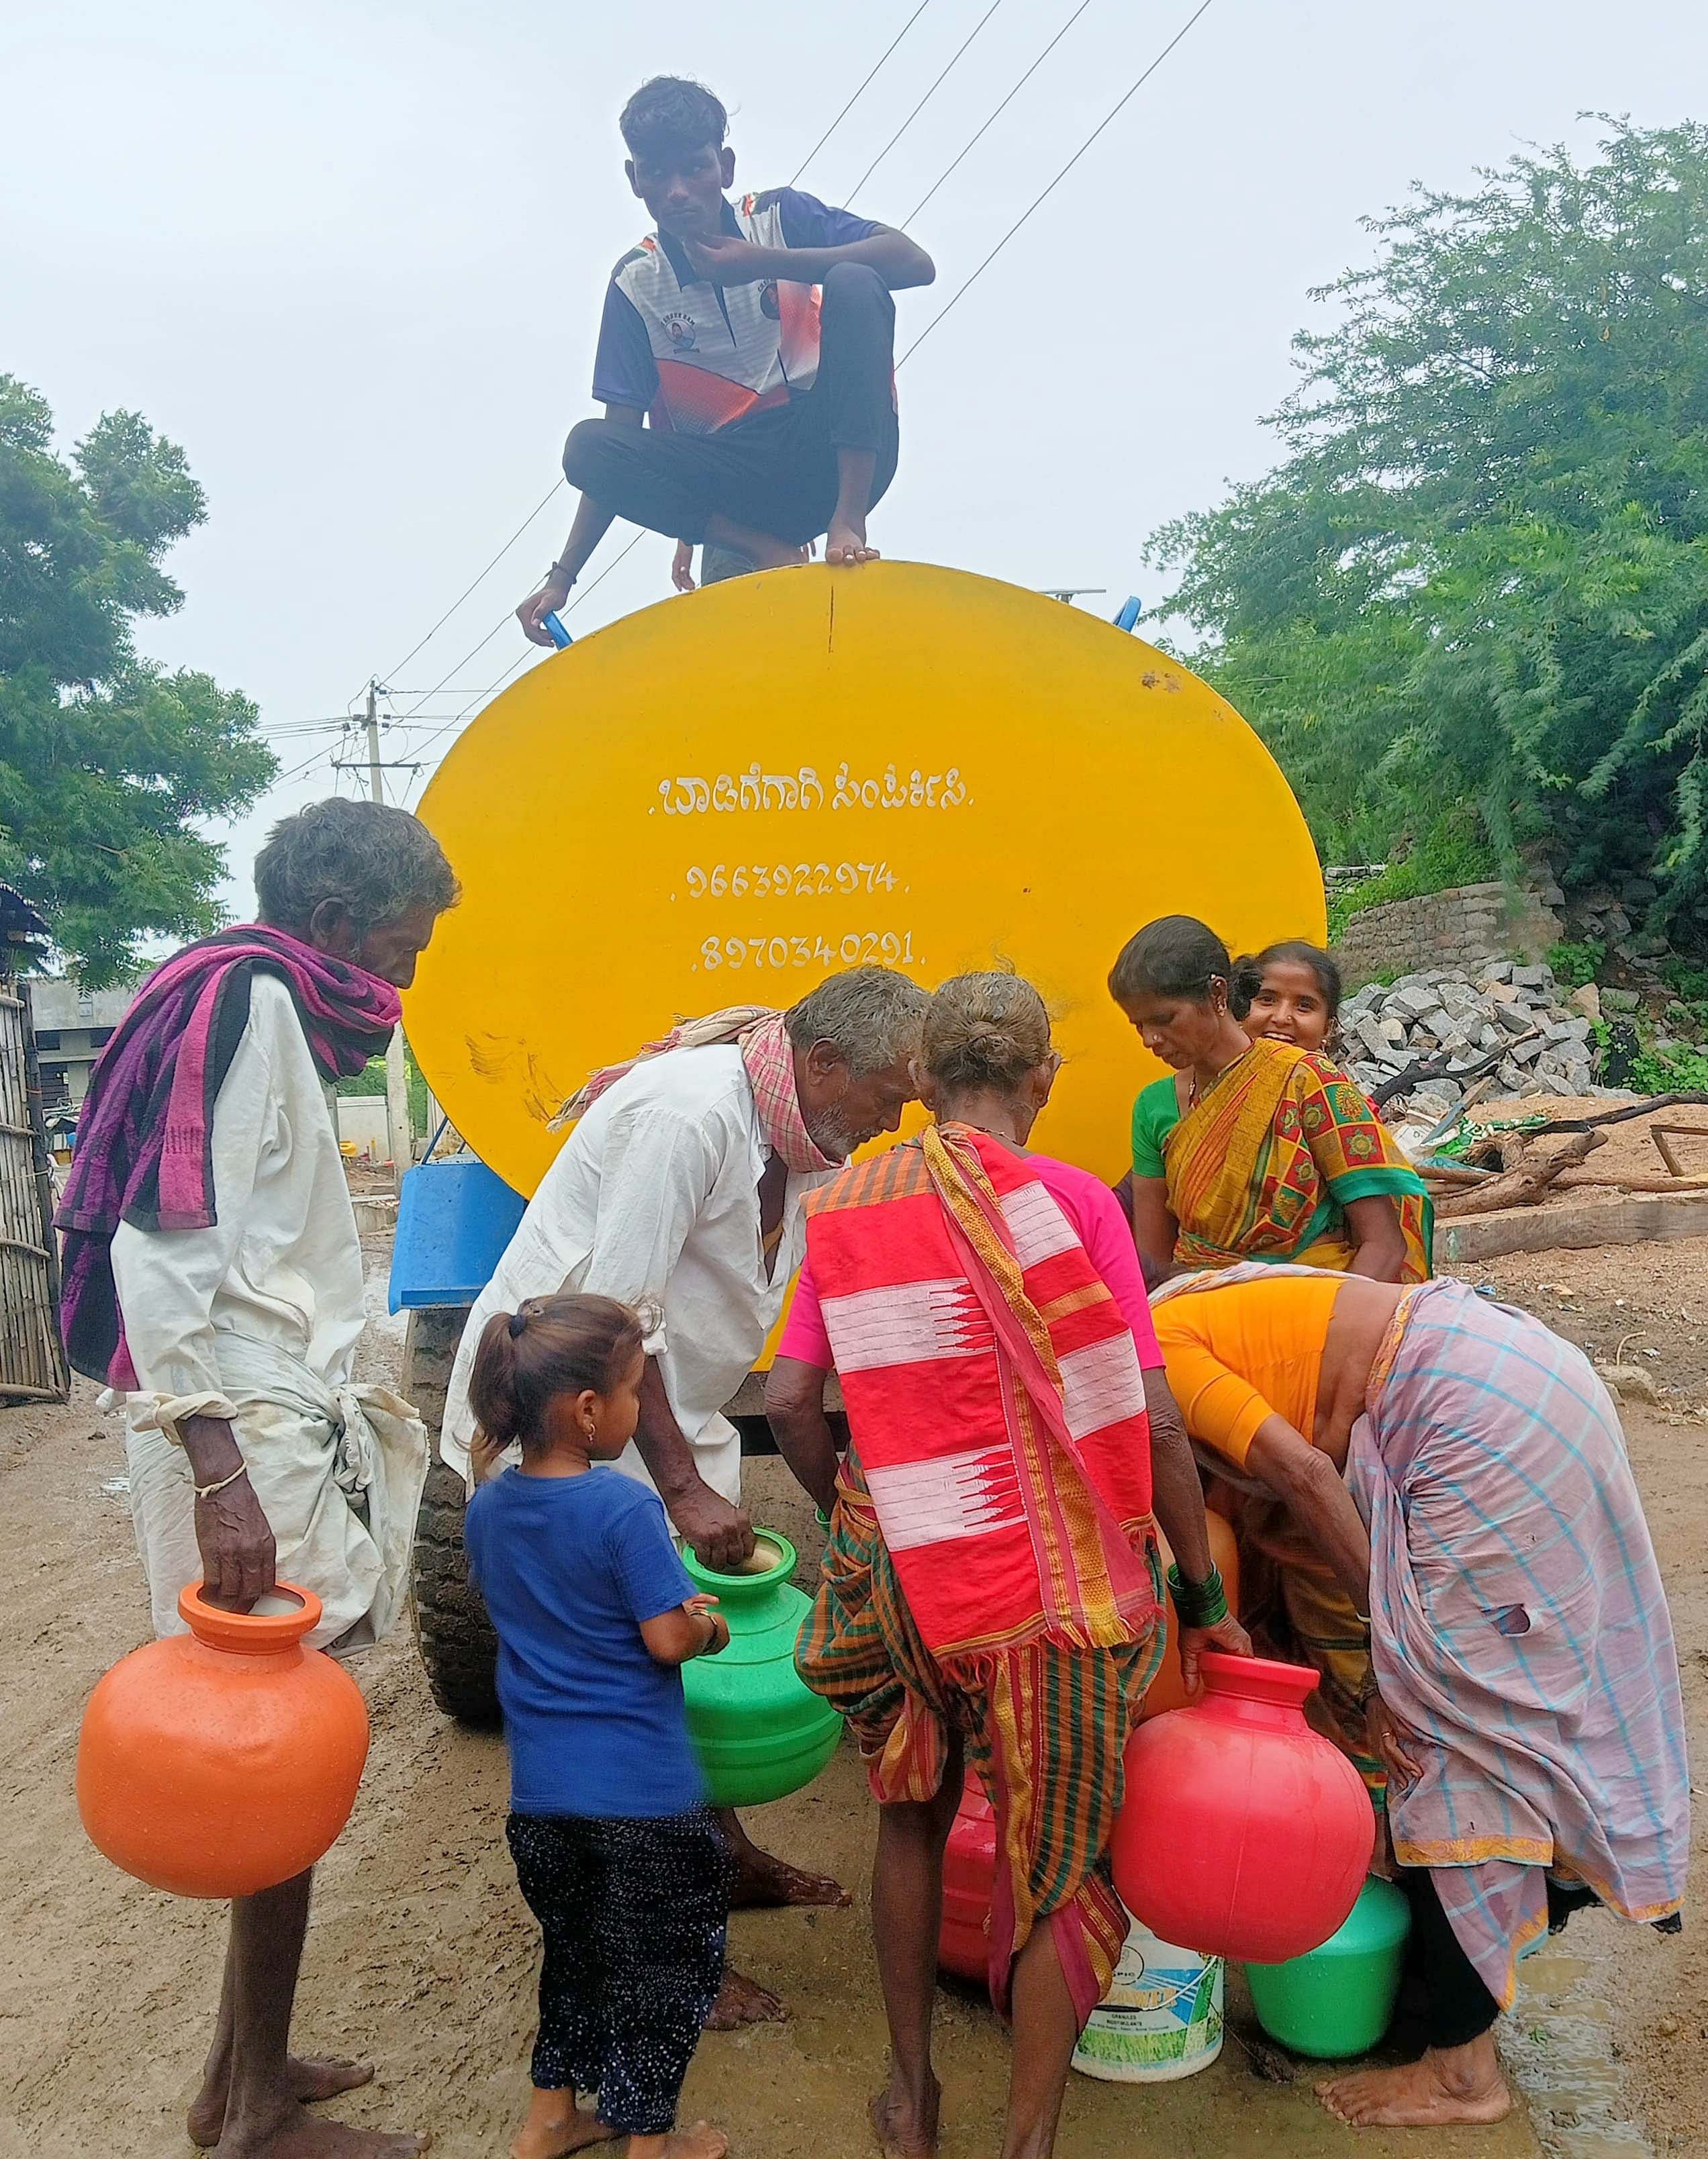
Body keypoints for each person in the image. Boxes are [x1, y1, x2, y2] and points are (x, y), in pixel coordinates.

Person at [765, 973, 1250, 2159]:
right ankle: (1027, 2137)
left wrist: (867, 1510)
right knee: (1064, 1852)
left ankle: (910, 2095)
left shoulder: (845, 1201)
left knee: (908, 1809)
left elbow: (788, 1399)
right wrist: (1199, 1593)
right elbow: (1152, 1422)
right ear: (1043, 1080)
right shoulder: (1074, 1203)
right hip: (1053, 1593)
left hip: (899, 1573)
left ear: (921, 1081)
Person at [56, 798, 459, 2159]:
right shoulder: (247, 1006)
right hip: (239, 1436)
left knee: (280, 1740)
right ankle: (246, 2117)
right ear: (335, 927)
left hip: (263, 1421)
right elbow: (163, 1249)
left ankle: (251, 2068)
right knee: (273, 1754)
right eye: (398, 954)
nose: (399, 983)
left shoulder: (253, 1002)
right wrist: (219, 1470)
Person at [441, 967, 932, 2025]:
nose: (895, 1121)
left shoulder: (798, 1135)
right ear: (824, 1065)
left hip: (658, 1417)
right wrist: (679, 1490)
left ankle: (727, 1857)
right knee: (631, 1705)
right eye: (889, 1096)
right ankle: (663, 1955)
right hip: (569, 1431)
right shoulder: (687, 1117)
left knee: (679, 1684)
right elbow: (615, 1320)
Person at [1149, 1263, 1689, 2130]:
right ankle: (1485, 1950)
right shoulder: (1178, 1308)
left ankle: (1463, 2072)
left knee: (1444, 1737)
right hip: (1523, 1376)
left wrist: (1395, 1658)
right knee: (1518, 1709)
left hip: (1474, 1419)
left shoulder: (1156, 1354)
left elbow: (1307, 1477)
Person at [516, 73, 935, 638]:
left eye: (695, 168)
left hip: (833, 451)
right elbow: (617, 450)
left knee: (857, 279)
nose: (678, 191)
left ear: (726, 168)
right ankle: (769, 550)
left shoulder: (779, 218)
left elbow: (914, 263)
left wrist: (765, 261)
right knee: (586, 446)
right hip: (736, 478)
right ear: (634, 180)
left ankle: (847, 526)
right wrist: (563, 577)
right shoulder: (636, 284)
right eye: (656, 174)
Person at [464, 1294, 734, 2159]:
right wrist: (707, 1623)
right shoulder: (621, 1508)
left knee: (575, 1959)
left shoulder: (487, 1510)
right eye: (633, 1393)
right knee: (663, 1974)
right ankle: (651, 2145)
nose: (635, 1409)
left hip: (542, 1802)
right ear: (589, 1411)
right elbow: (664, 1639)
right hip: (643, 1802)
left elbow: (539, 1612)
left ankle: (549, 2122)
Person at [1108, 915, 1432, 1286]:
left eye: (1164, 1019)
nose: (1150, 1039)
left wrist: (1330, 1331)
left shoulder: (1310, 1083)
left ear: (1217, 995)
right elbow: (1153, 1264)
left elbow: (1384, 1245)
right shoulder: (1153, 1107)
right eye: (1139, 1026)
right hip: (1201, 1306)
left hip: (1315, 1300)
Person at [1232, 939, 1342, 1057]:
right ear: (1240, 1007)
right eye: (1267, 1000)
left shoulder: (1324, 1076)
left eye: (1304, 1006)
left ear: (1328, 1028)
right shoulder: (1217, 1072)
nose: (1281, 1018)